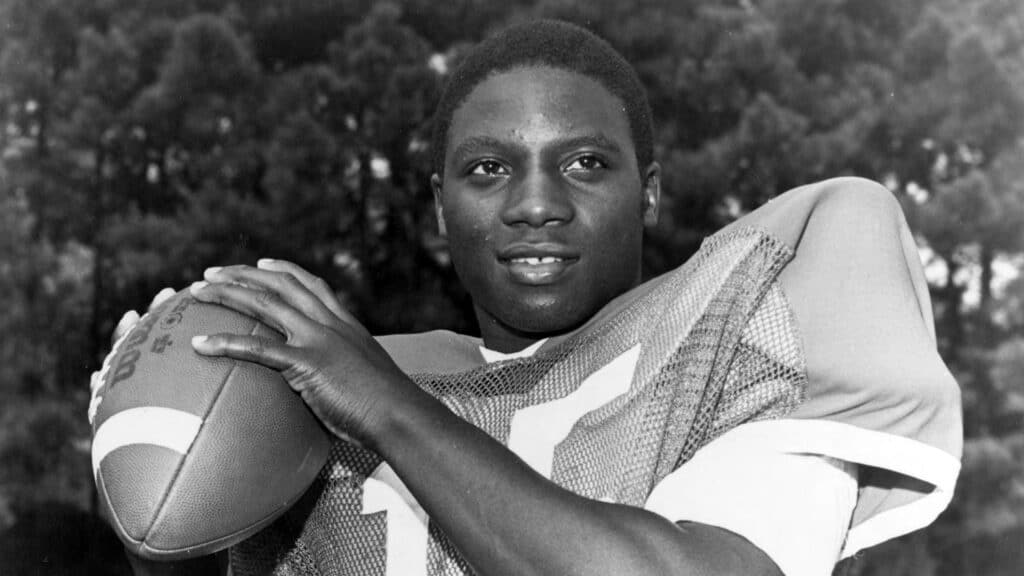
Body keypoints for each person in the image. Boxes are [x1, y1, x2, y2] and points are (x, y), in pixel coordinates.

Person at [99, 19, 962, 576]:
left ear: (649, 192)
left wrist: (385, 409)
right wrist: (153, 479)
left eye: (585, 162)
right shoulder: (322, 388)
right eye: (487, 169)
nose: (537, 203)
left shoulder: (752, 301)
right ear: (441, 205)